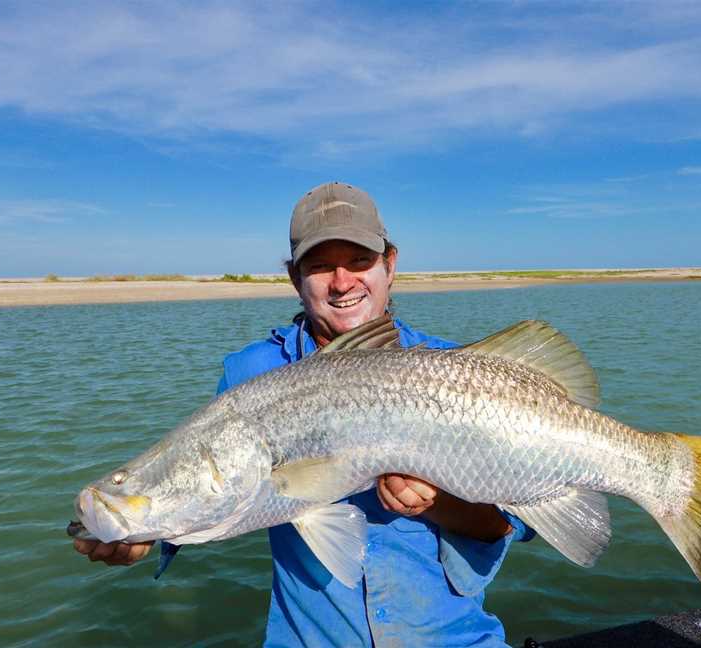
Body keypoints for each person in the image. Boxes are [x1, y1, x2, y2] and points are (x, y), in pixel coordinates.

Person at [74, 181, 534, 646]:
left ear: (389, 265)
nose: (342, 282)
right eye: (319, 266)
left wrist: (440, 501)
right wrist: (147, 532)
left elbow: (509, 523)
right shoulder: (250, 373)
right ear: (295, 278)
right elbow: (221, 482)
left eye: (360, 261)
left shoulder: (464, 374)